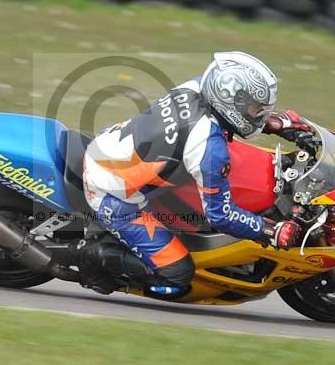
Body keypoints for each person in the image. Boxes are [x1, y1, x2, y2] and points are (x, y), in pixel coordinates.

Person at [79, 51, 311, 295]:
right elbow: (220, 215)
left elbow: (230, 109)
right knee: (178, 276)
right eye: (256, 109)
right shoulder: (207, 146)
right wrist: (269, 232)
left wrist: (274, 123)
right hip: (112, 194)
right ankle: (94, 259)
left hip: (113, 146)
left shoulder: (197, 86)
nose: (259, 115)